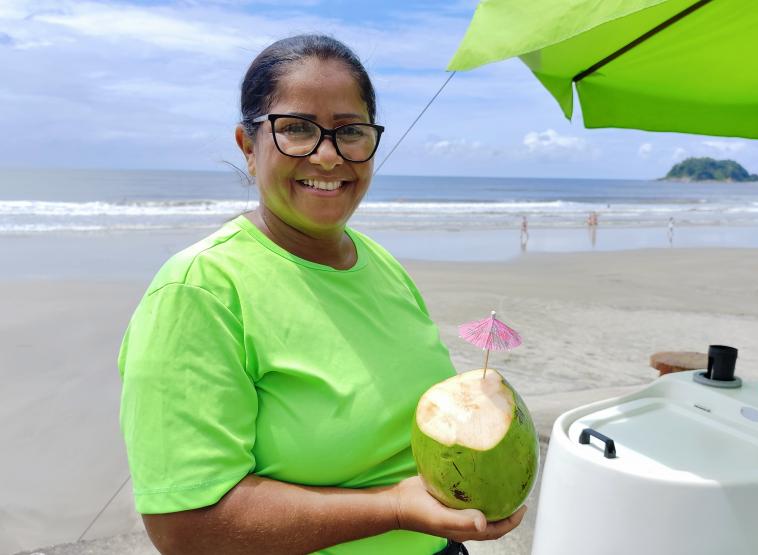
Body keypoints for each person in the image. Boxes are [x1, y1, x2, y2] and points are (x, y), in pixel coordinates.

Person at [117, 34, 525, 555]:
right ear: (248, 146)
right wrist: (394, 509)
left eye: (350, 131)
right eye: (296, 129)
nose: (328, 156)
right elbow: (184, 527)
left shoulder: (380, 264)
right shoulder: (200, 290)